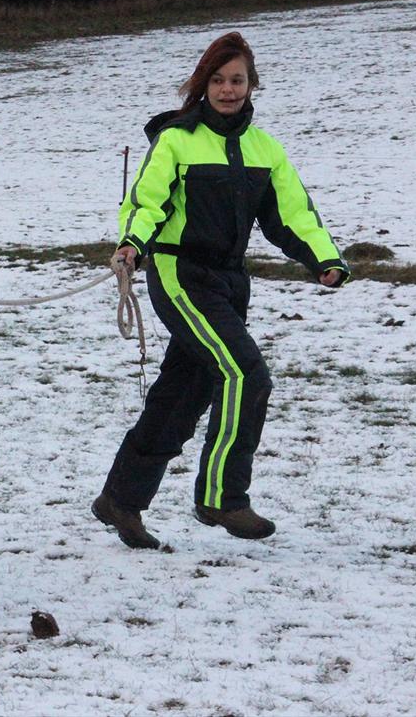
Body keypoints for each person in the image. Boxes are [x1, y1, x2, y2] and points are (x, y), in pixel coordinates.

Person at [92, 32, 349, 548]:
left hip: (230, 280)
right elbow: (148, 203)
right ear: (202, 84)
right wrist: (131, 245)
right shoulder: (177, 140)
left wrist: (322, 257)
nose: (228, 89)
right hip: (178, 273)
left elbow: (291, 213)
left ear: (252, 85)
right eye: (219, 80)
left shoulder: (264, 148)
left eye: (238, 80)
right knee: (244, 373)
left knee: (183, 395)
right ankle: (222, 497)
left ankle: (121, 498)